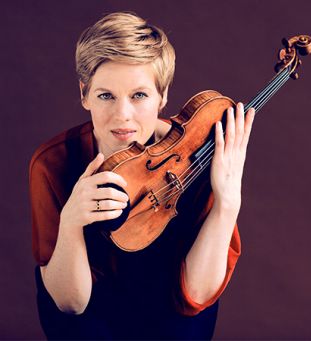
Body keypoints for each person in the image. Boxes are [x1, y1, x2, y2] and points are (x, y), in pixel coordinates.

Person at [29, 11, 255, 340]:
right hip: (90, 311)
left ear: (162, 96)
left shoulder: (200, 155)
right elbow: (70, 304)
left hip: (171, 306)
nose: (123, 116)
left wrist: (227, 202)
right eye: (106, 95)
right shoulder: (53, 163)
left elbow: (196, 296)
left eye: (139, 95)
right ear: (84, 94)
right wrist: (71, 223)